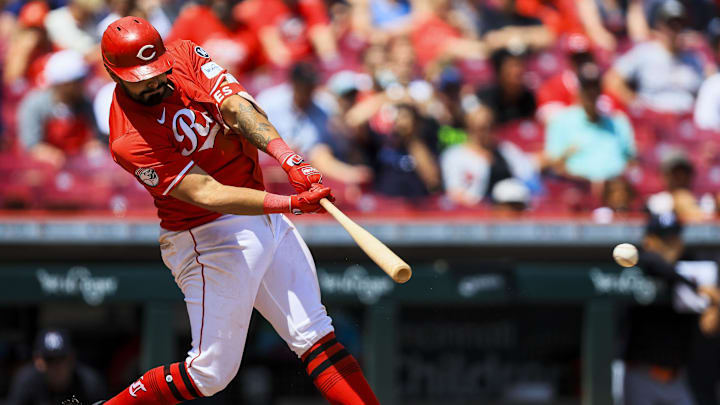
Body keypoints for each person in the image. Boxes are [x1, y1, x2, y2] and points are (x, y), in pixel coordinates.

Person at [68, 16, 380, 405]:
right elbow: (206, 192)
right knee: (209, 373)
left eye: (155, 71)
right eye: (140, 77)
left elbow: (236, 107)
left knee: (314, 333)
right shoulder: (128, 138)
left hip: (261, 212)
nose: (152, 82)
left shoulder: (183, 54)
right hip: (208, 234)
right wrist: (289, 203)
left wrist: (288, 158)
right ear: (114, 73)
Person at [622, 213, 720, 405]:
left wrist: (714, 303)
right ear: (649, 241)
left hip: (677, 378)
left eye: (674, 238)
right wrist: (694, 286)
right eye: (663, 239)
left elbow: (708, 327)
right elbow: (652, 262)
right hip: (642, 375)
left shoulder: (693, 265)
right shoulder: (642, 263)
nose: (670, 244)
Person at [255, 62, 372, 186]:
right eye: (305, 86)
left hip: (307, 163)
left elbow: (331, 145)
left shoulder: (324, 105)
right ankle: (347, 175)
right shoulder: (269, 101)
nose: (309, 90)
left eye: (311, 86)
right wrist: (281, 148)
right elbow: (254, 137)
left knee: (319, 152)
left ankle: (348, 177)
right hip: (272, 158)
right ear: (294, 84)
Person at [603, 0, 708, 114]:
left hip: (686, 121)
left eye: (679, 24)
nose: (675, 30)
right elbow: (612, 79)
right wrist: (634, 102)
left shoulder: (693, 58)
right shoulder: (645, 52)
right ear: (660, 26)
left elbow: (707, 90)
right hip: (654, 120)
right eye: (671, 25)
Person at [544, 61, 635, 183]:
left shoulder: (617, 121)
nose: (591, 93)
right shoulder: (561, 120)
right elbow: (554, 163)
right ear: (579, 90)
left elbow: (631, 160)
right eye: (587, 87)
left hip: (614, 186)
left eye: (595, 87)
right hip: (577, 186)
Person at [17, 49, 103, 169]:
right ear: (65, 84)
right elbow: (31, 146)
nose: (84, 84)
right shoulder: (34, 105)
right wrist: (54, 157)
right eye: (79, 81)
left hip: (77, 163)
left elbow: (94, 138)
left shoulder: (85, 102)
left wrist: (93, 150)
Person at [440, 102, 537, 207]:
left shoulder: (506, 150)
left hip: (511, 210)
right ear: (468, 128)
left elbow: (528, 174)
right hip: (475, 214)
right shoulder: (454, 156)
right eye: (481, 128)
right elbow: (455, 193)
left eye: (490, 126)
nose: (486, 132)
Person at [7, 329, 106, 405]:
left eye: (61, 359)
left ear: (72, 358)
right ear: (38, 360)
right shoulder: (26, 382)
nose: (56, 366)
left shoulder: (89, 383)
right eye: (49, 360)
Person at [477, 48, 537, 125]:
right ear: (500, 71)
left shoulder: (529, 98)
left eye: (519, 65)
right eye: (512, 66)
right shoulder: (485, 98)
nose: (518, 71)